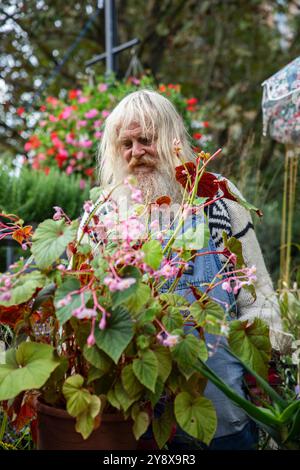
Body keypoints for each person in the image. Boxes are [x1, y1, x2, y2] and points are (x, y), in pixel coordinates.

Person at [80, 89, 289, 450]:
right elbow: (82, 303)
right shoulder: (102, 213)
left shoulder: (216, 197)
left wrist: (264, 362)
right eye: (126, 144)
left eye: (146, 140)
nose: (136, 153)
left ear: (171, 140)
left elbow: (259, 295)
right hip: (135, 409)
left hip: (220, 407)